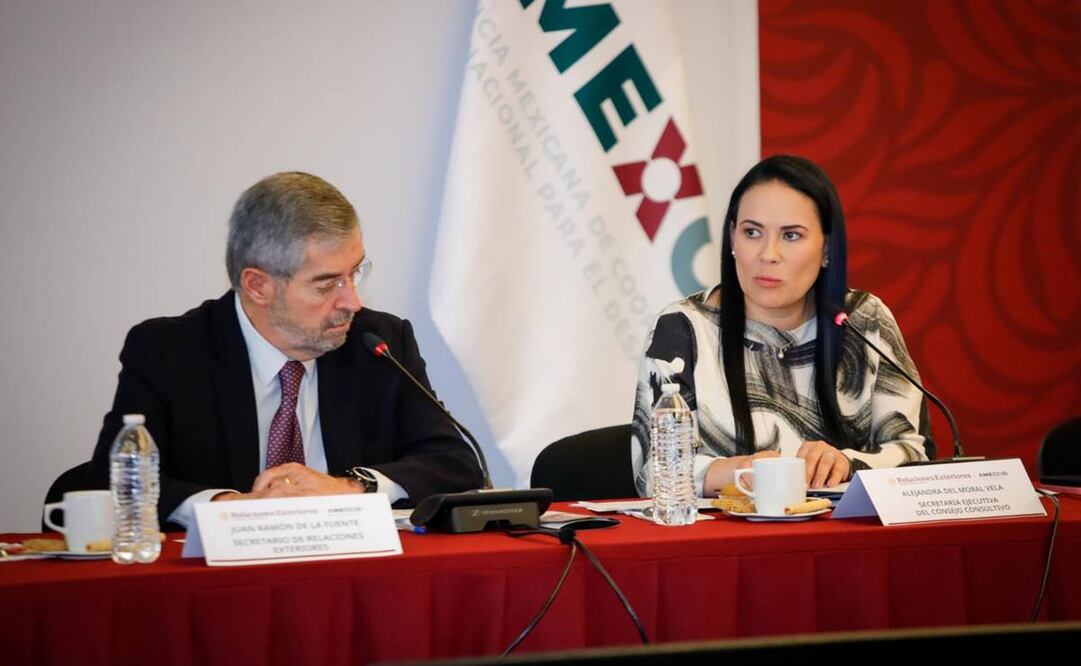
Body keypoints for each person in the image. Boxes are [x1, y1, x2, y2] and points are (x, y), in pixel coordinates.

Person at [90, 172, 483, 529]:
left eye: (355, 273)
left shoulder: (378, 341)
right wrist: (227, 507)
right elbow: (110, 478)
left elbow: (453, 460)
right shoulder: (169, 352)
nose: (353, 302)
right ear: (258, 286)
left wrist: (350, 488)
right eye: (327, 284)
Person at [631, 155, 931, 498]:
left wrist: (847, 463)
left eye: (791, 235)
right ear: (732, 238)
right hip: (728, 544)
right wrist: (742, 473)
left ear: (827, 250)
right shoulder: (683, 330)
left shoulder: (864, 321)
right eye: (752, 232)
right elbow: (653, 474)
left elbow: (916, 453)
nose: (768, 254)